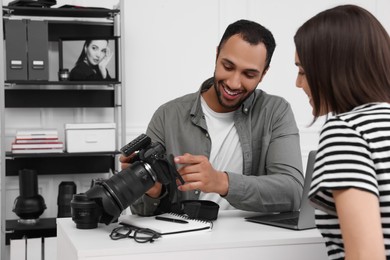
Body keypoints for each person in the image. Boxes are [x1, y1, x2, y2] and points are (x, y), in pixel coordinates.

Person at [121, 19, 304, 216]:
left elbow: (292, 191)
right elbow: (140, 210)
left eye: (249, 74)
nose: (234, 83)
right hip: (182, 242)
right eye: (228, 66)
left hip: (252, 242)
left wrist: (221, 182)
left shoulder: (276, 112)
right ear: (217, 55)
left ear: (264, 73)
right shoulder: (167, 116)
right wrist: (153, 191)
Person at [294, 5, 390, 260]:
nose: (298, 83)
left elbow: (365, 256)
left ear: (335, 69)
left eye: (303, 71)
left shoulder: (346, 132)